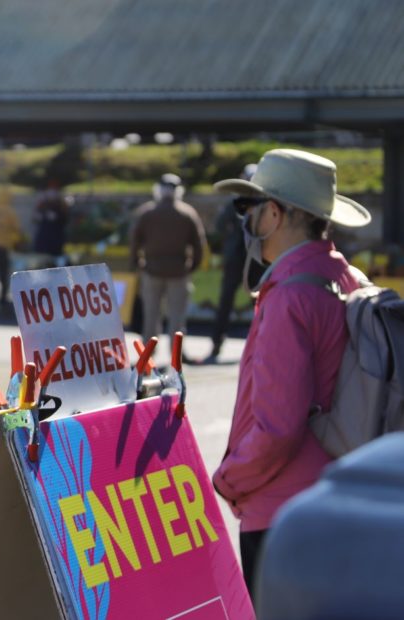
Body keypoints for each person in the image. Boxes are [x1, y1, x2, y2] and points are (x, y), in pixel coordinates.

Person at [210, 149, 370, 598]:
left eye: (248, 208)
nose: (244, 220)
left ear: (274, 214)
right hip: (337, 496)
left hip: (281, 511)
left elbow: (278, 427)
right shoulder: (343, 277)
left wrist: (230, 478)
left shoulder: (287, 298)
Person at [129, 173, 206, 354]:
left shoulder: (147, 212)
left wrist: (137, 263)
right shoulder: (187, 213)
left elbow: (134, 240)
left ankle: (147, 354)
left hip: (151, 270)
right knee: (177, 317)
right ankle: (176, 354)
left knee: (151, 315)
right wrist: (191, 266)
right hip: (179, 272)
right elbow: (199, 244)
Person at [207, 164, 260, 363]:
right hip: (254, 258)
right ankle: (258, 344)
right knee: (260, 304)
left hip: (239, 258)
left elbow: (219, 226)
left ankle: (217, 344)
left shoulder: (236, 201)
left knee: (228, 302)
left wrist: (230, 236)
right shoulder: (260, 202)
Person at [32, 181, 70, 263]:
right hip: (46, 236)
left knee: (56, 254)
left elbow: (64, 217)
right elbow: (36, 215)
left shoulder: (60, 201)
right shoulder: (44, 200)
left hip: (56, 235)